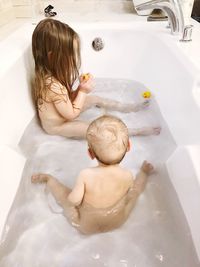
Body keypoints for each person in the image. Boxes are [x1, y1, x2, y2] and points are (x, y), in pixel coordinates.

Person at [32, 18, 161, 139]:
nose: (74, 58)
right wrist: (82, 92)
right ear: (53, 57)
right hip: (59, 126)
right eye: (70, 54)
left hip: (63, 114)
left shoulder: (49, 75)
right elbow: (71, 114)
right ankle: (134, 132)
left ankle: (128, 108)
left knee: (94, 99)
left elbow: (66, 100)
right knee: (95, 129)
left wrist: (79, 90)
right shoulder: (52, 86)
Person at [31, 115, 154, 234]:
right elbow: (130, 192)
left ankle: (48, 179)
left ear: (91, 154)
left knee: (65, 198)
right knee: (134, 194)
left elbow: (74, 201)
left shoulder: (86, 175)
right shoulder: (127, 175)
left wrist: (75, 198)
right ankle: (144, 173)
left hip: (86, 225)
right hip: (117, 221)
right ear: (128, 146)